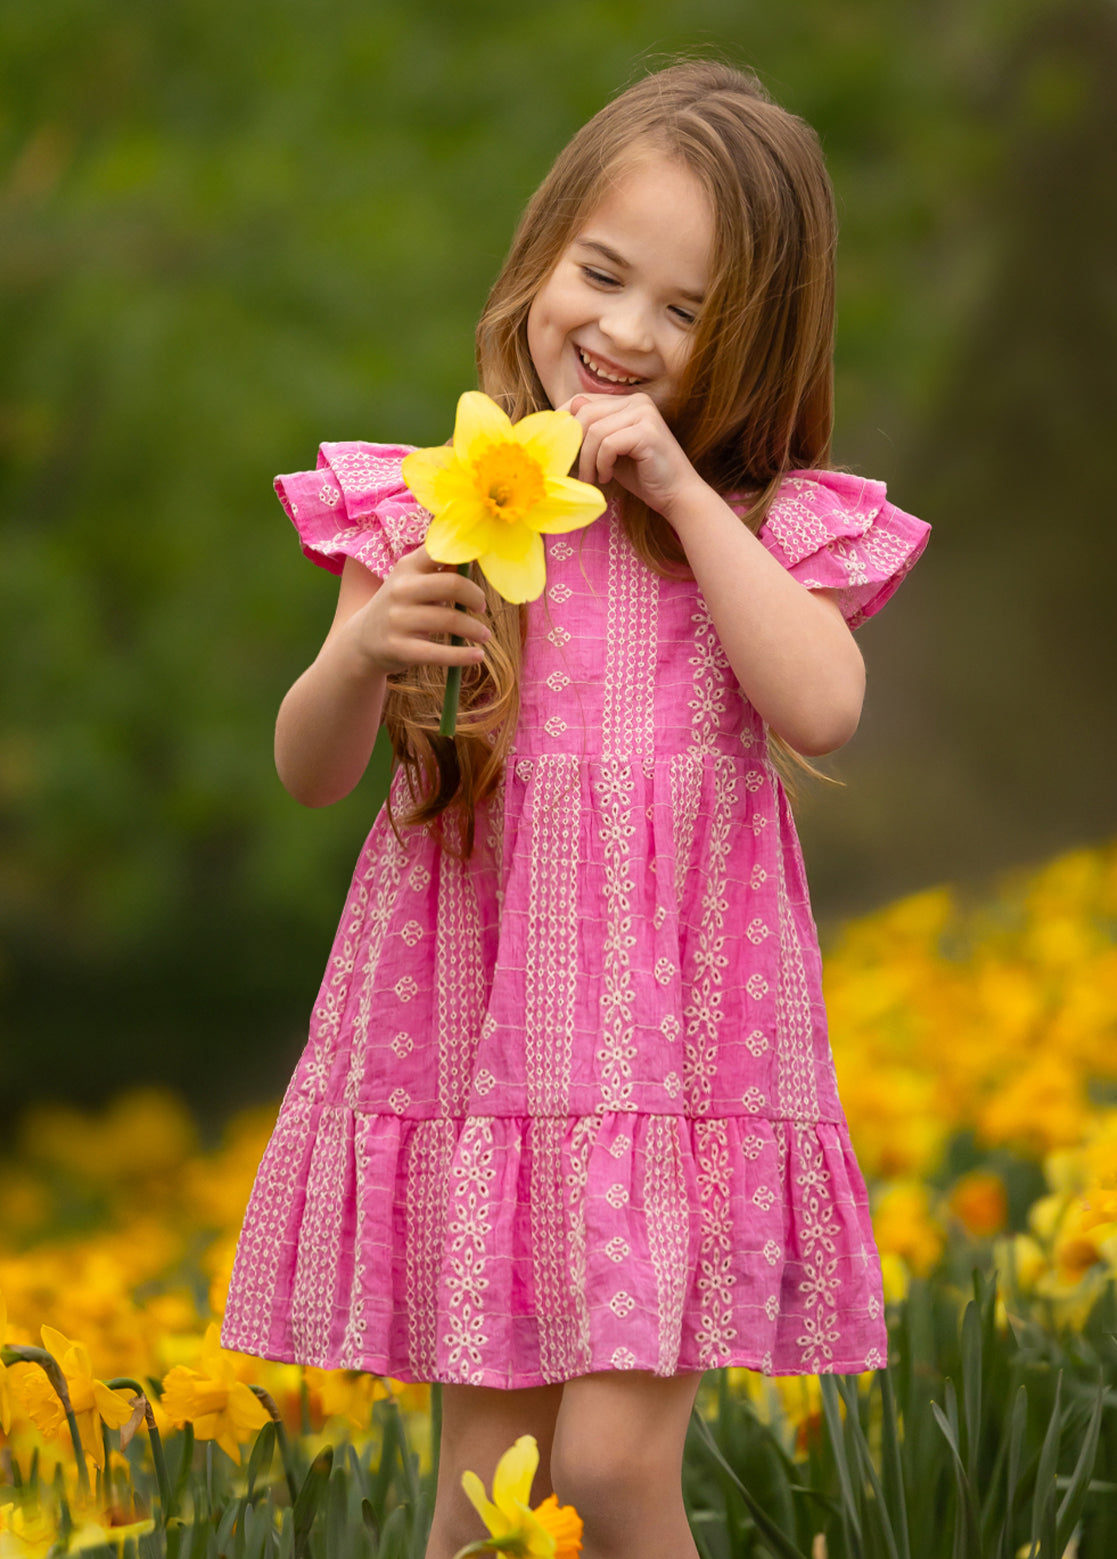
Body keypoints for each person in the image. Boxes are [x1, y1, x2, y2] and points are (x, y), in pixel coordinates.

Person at [221, 60, 930, 1559]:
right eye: (602, 275)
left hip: (669, 1067)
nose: (621, 332)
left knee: (609, 1472)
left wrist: (678, 492)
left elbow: (825, 703)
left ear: (748, 347)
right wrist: (360, 649)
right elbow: (311, 768)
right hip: (484, 1055)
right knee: (486, 1514)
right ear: (541, 255)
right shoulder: (434, 501)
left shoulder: (744, 527)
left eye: (686, 313)